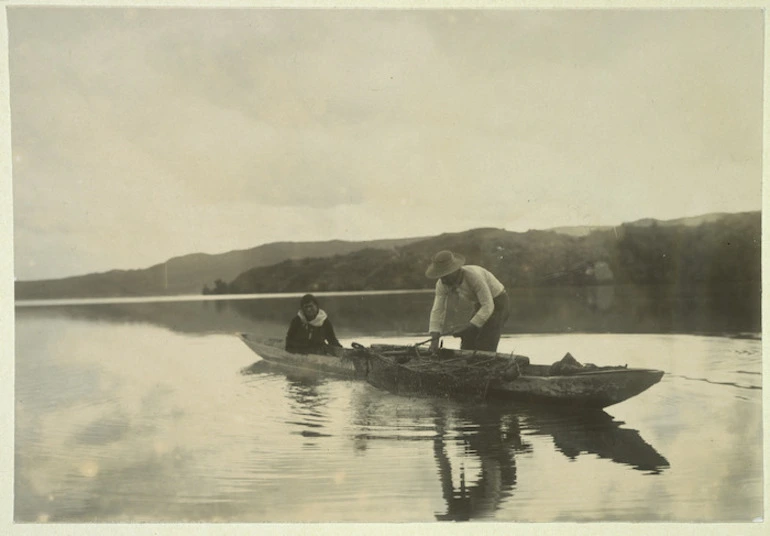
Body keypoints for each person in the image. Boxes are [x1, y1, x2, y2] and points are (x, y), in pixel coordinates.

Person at [425, 250, 510, 353]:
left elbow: (488, 306)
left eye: (446, 275)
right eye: (440, 275)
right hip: (480, 304)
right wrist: (434, 341)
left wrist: (470, 326)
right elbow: (437, 311)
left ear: (455, 270)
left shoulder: (473, 276)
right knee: (468, 341)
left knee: (486, 342)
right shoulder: (442, 284)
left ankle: (484, 363)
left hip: (498, 302)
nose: (443, 279)